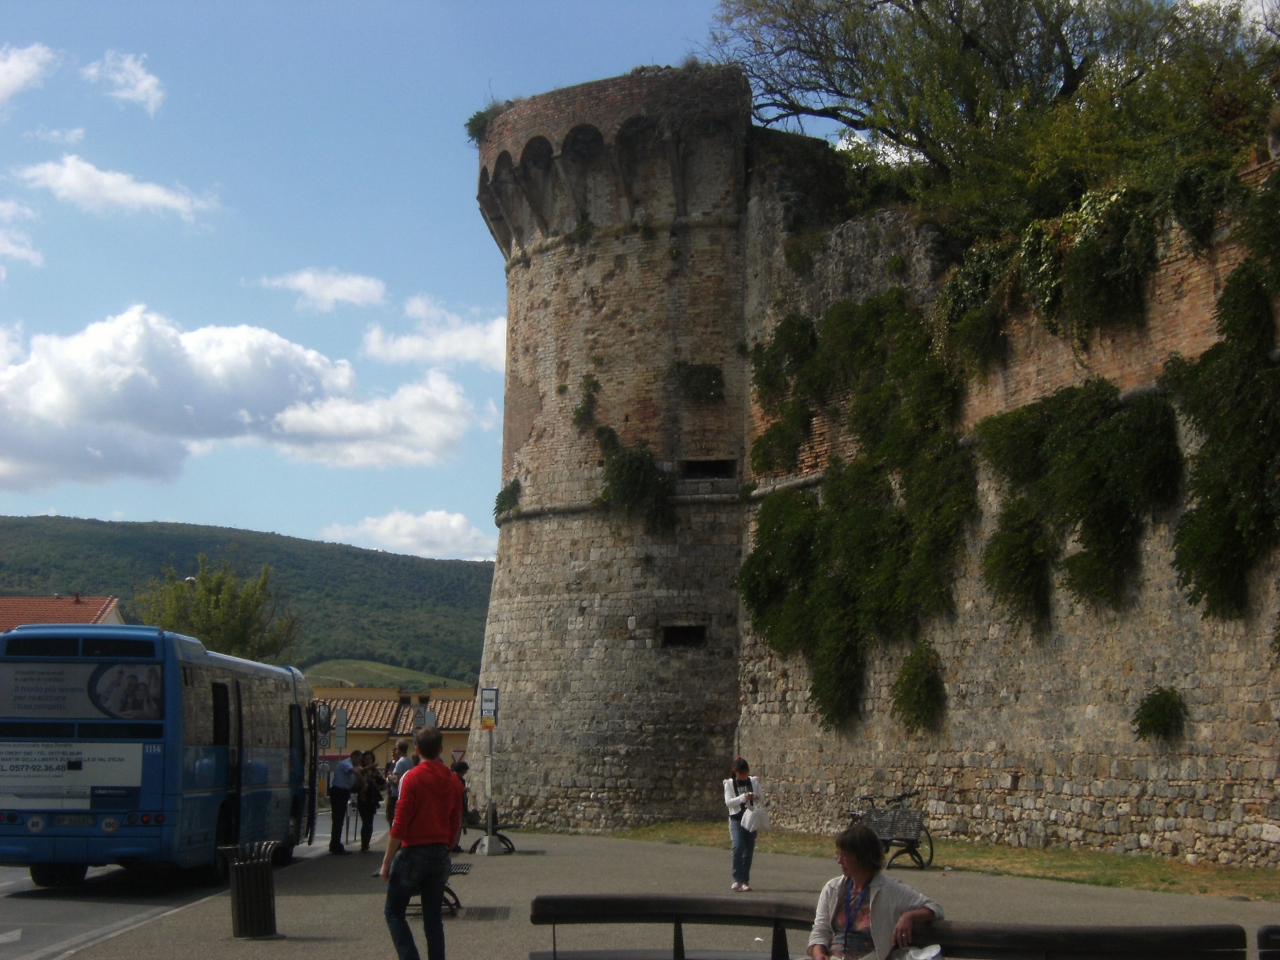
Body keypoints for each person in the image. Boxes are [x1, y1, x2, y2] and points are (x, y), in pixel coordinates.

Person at [381, 726, 464, 960]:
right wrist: (446, 846)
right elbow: (455, 820)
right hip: (439, 852)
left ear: (417, 749)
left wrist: (387, 861)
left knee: (394, 912)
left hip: (412, 852)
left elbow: (400, 823)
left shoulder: (412, 777)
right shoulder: (454, 781)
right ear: (441, 749)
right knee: (433, 918)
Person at [807, 824, 942, 960]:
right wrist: (819, 954)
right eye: (838, 854)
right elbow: (820, 929)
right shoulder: (832, 888)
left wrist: (909, 917)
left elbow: (934, 907)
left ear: (862, 857)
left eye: (845, 856)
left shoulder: (890, 889)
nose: (839, 861)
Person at [723, 756, 763, 892]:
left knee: (748, 849)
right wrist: (743, 797)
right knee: (738, 846)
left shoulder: (753, 781)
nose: (744, 776)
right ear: (735, 771)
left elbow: (761, 797)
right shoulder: (729, 784)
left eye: (746, 773)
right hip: (736, 819)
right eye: (742, 774)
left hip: (750, 818)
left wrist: (756, 796)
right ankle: (736, 878)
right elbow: (729, 802)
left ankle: (745, 880)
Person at [328, 749, 364, 854]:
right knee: (338, 819)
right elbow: (356, 772)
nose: (359, 762)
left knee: (339, 820)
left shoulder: (351, 765)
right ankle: (335, 845)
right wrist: (364, 782)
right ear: (354, 757)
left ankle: (335, 843)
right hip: (338, 792)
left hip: (343, 792)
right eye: (359, 759)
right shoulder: (346, 764)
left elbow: (359, 770)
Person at [357, 751, 385, 851]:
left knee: (370, 821)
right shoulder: (361, 769)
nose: (368, 761)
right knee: (366, 822)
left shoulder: (375, 771)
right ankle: (364, 844)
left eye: (370, 759)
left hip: (372, 798)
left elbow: (382, 783)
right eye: (366, 759)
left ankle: (366, 843)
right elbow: (359, 774)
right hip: (363, 798)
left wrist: (377, 784)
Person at [386, 739, 413, 827]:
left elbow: (398, 781)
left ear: (398, 749)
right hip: (406, 793)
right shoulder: (410, 761)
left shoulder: (400, 762)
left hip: (396, 795)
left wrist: (390, 777)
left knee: (392, 820)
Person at [449, 761, 469, 852]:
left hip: (455, 805)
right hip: (456, 806)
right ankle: (453, 845)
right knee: (457, 826)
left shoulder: (450, 777)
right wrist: (463, 790)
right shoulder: (457, 780)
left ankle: (453, 844)